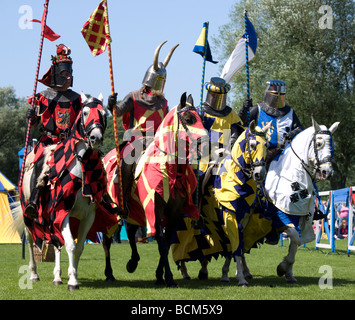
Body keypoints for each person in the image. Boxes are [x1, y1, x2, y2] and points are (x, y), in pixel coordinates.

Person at [106, 41, 178, 209]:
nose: (161, 84)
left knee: (181, 160)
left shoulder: (163, 102)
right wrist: (111, 104)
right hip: (136, 140)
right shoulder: (134, 96)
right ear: (151, 79)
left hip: (159, 142)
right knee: (127, 161)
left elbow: (167, 123)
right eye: (159, 80)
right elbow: (117, 112)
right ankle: (123, 202)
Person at [25, 44, 82, 217]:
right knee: (41, 163)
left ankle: (95, 199)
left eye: (70, 73)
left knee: (88, 161)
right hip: (48, 141)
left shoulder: (77, 98)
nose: (69, 77)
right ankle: (34, 201)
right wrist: (31, 117)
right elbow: (34, 124)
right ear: (57, 74)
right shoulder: (42, 97)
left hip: (69, 142)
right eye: (65, 73)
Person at [239, 80, 304, 166]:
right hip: (263, 153)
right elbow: (242, 122)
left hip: (284, 153)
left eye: (281, 94)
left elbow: (300, 129)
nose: (278, 97)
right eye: (275, 94)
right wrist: (244, 109)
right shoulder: (258, 108)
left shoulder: (289, 112)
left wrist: (292, 133)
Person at [197, 77, 245, 175]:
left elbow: (237, 132)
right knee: (197, 177)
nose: (217, 98)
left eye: (220, 95)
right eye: (214, 95)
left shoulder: (231, 114)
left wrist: (244, 111)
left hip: (225, 155)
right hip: (205, 155)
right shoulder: (199, 112)